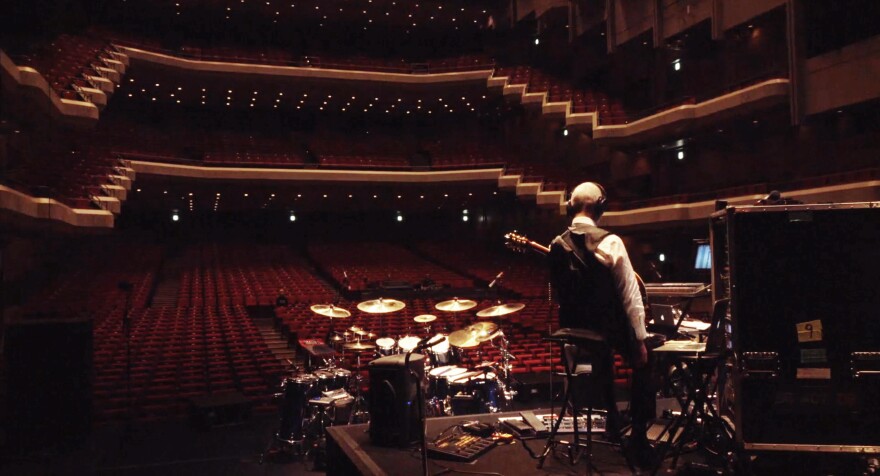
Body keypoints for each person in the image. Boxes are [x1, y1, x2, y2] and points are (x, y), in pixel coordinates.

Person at [547, 181, 655, 467]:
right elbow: (630, 296)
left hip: (572, 332)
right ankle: (639, 438)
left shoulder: (556, 245)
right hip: (605, 330)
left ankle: (612, 418)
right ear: (599, 207)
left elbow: (557, 294)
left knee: (602, 352)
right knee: (646, 358)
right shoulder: (610, 241)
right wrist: (640, 340)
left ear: (571, 207)